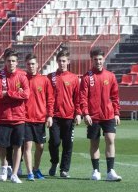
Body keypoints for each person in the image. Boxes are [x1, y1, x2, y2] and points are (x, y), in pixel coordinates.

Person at [80, 48, 122, 181]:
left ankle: (110, 171)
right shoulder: (87, 77)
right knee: (95, 143)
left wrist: (116, 113)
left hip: (108, 115)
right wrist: (85, 113)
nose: (98, 61)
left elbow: (115, 96)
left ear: (103, 59)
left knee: (110, 139)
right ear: (91, 60)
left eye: (100, 59)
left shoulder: (110, 76)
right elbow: (83, 98)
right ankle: (96, 171)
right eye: (95, 59)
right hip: (93, 116)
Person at [0, 48, 29, 184]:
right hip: (3, 117)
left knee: (17, 146)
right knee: (2, 145)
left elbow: (26, 95)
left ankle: (14, 173)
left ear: (17, 62)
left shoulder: (22, 77)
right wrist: (16, 94)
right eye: (9, 61)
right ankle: (3, 165)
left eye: (13, 61)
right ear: (4, 61)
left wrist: (7, 93)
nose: (11, 63)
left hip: (19, 118)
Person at [47, 48, 81, 178]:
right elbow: (48, 97)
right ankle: (54, 162)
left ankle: (64, 169)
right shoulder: (51, 77)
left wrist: (78, 113)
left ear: (68, 62)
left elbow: (77, 98)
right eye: (60, 61)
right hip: (54, 116)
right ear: (56, 61)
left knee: (68, 144)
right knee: (54, 142)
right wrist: (49, 115)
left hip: (68, 116)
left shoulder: (73, 78)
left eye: (64, 61)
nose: (62, 63)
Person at [23, 54, 54, 181]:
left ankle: (36, 168)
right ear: (26, 65)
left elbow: (50, 99)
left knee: (40, 147)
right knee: (28, 146)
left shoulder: (44, 80)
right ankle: (30, 172)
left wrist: (50, 116)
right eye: (29, 64)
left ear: (37, 65)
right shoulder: (22, 79)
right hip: (26, 119)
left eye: (33, 64)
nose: (31, 66)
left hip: (40, 119)